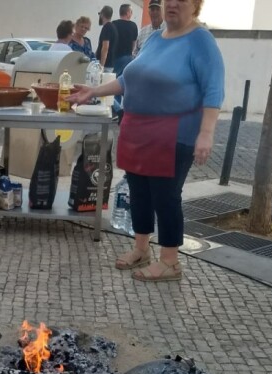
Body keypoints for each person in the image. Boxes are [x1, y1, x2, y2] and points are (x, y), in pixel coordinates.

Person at [68, 0, 224, 282]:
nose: (172, 4)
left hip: (173, 132)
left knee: (165, 196)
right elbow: (128, 80)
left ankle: (170, 261)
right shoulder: (155, 38)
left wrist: (206, 132)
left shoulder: (201, 40)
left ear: (195, 5)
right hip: (137, 129)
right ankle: (141, 249)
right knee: (139, 192)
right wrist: (93, 91)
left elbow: (214, 90)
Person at [111, 4, 139, 109]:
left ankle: (116, 108)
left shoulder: (113, 24)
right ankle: (128, 107)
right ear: (127, 13)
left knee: (115, 83)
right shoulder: (133, 26)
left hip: (115, 58)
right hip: (127, 57)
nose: (131, 14)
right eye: (131, 12)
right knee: (126, 83)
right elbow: (134, 43)